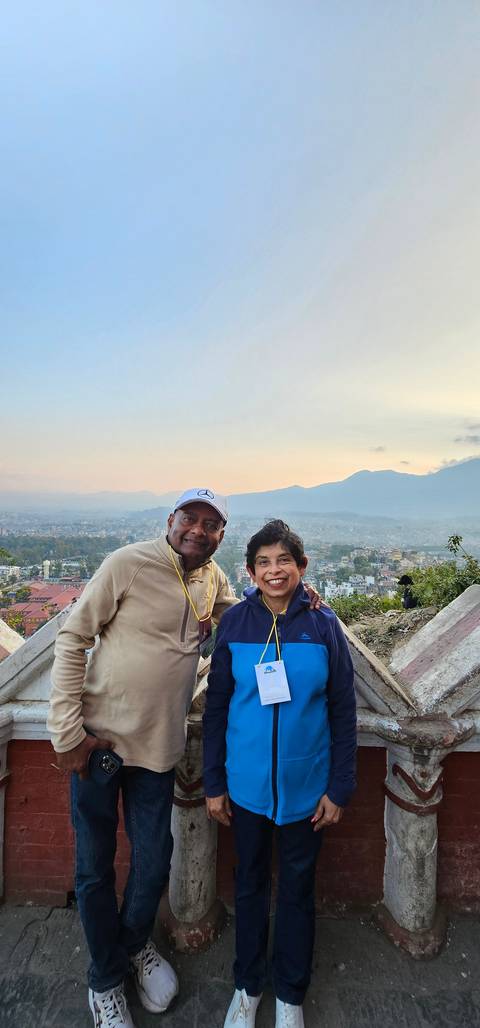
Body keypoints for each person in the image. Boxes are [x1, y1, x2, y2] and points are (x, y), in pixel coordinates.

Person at [48, 491, 323, 1028]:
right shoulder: (127, 564)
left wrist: (300, 597)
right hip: (99, 744)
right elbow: (73, 635)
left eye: (211, 524)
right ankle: (104, 980)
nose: (198, 530)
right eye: (190, 519)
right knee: (94, 868)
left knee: (152, 865)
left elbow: (245, 615)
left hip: (160, 750)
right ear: (169, 522)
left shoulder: (211, 579)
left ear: (221, 535)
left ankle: (131, 948)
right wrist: (66, 736)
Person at [203, 519, 357, 1028]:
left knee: (295, 889)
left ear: (301, 566)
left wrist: (339, 787)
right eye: (264, 562)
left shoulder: (323, 625)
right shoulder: (237, 625)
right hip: (246, 790)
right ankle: (247, 987)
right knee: (247, 886)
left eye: (283, 560)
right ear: (250, 571)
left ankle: (290, 993)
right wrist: (215, 782)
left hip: (306, 790)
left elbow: (341, 709)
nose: (274, 570)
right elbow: (218, 707)